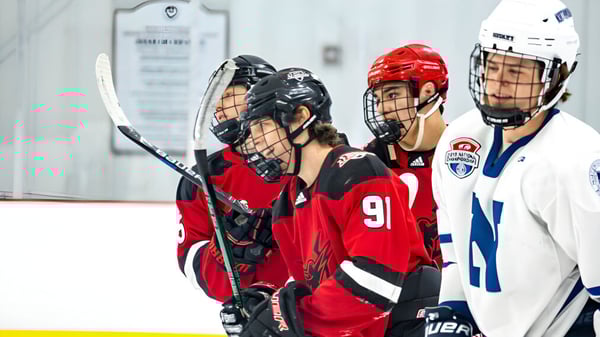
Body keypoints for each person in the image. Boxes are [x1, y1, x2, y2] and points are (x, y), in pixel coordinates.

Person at [425, 0, 600, 336]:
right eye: (491, 66)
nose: (498, 83)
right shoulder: (459, 139)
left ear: (554, 77)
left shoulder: (575, 157)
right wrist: (453, 310)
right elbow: (456, 250)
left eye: (516, 72)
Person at [222, 67, 435, 337]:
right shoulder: (287, 205)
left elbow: (376, 282)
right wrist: (266, 301)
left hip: (410, 326)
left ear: (301, 117)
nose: (255, 142)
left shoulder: (358, 172)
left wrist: (289, 318)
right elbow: (315, 286)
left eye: (262, 126)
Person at [175, 55, 289, 303]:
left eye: (228, 96)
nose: (218, 107)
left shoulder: (302, 162)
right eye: (216, 100)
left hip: (311, 310)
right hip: (248, 314)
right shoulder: (202, 178)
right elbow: (194, 267)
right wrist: (226, 249)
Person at [363, 44, 449, 269]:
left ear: (428, 91)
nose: (383, 109)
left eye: (392, 95)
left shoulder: (468, 151)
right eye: (379, 99)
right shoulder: (371, 159)